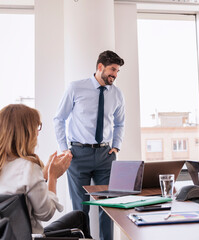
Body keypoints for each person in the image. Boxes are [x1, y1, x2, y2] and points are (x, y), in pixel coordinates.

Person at [0, 104, 92, 238]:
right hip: (32, 237)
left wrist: (44, 175)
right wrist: (53, 176)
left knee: (78, 216)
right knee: (80, 217)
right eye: (36, 127)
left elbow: (20, 187)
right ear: (25, 132)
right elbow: (45, 214)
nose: (38, 132)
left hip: (4, 236)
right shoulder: (29, 167)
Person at [54, 50, 125, 240]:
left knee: (109, 206)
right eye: (112, 69)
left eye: (117, 71)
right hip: (77, 155)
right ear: (100, 67)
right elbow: (59, 118)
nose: (115, 75)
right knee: (80, 209)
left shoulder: (117, 94)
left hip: (105, 155)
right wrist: (64, 149)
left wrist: (116, 146)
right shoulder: (76, 88)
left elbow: (120, 123)